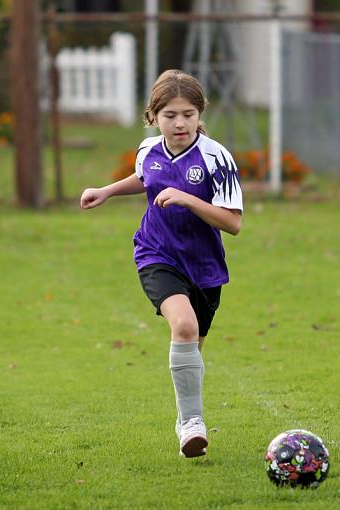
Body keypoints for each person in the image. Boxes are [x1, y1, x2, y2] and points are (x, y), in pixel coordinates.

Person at [80, 69, 243, 458]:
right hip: (156, 253)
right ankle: (191, 424)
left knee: (193, 346)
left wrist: (187, 198)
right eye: (170, 115)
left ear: (200, 114)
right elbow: (145, 178)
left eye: (188, 113)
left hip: (203, 265)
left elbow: (233, 223)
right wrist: (107, 191)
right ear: (153, 117)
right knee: (183, 326)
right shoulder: (148, 149)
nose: (180, 122)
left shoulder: (216, 158)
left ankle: (186, 416)